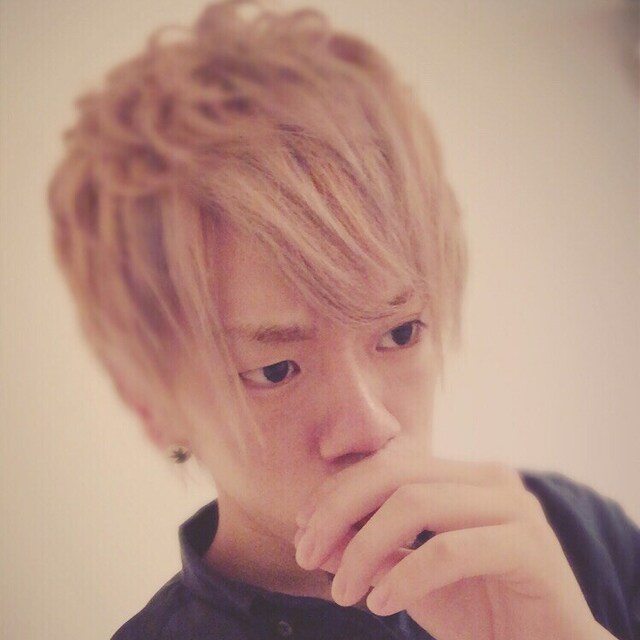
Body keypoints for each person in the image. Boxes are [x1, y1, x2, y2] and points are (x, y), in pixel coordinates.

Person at [48, 1, 639, 638]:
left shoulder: (572, 537)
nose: (372, 427)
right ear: (154, 405)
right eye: (275, 369)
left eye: (400, 333)